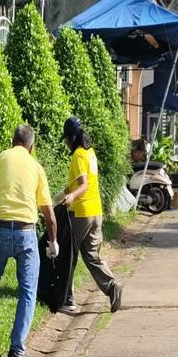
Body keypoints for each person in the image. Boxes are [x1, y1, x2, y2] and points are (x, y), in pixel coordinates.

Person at [0, 124, 58, 357]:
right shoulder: (36, 167)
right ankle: (17, 350)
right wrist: (53, 241)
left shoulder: (0, 159)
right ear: (32, 146)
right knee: (28, 291)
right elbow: (49, 213)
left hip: (1, 229)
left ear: (12, 141)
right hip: (27, 233)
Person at [55, 116, 122, 315]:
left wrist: (70, 197)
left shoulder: (77, 155)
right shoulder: (90, 153)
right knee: (91, 255)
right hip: (96, 212)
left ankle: (67, 299)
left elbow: (82, 186)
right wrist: (59, 196)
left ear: (73, 137)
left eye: (67, 139)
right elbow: (79, 183)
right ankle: (112, 286)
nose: (66, 143)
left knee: (68, 254)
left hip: (81, 212)